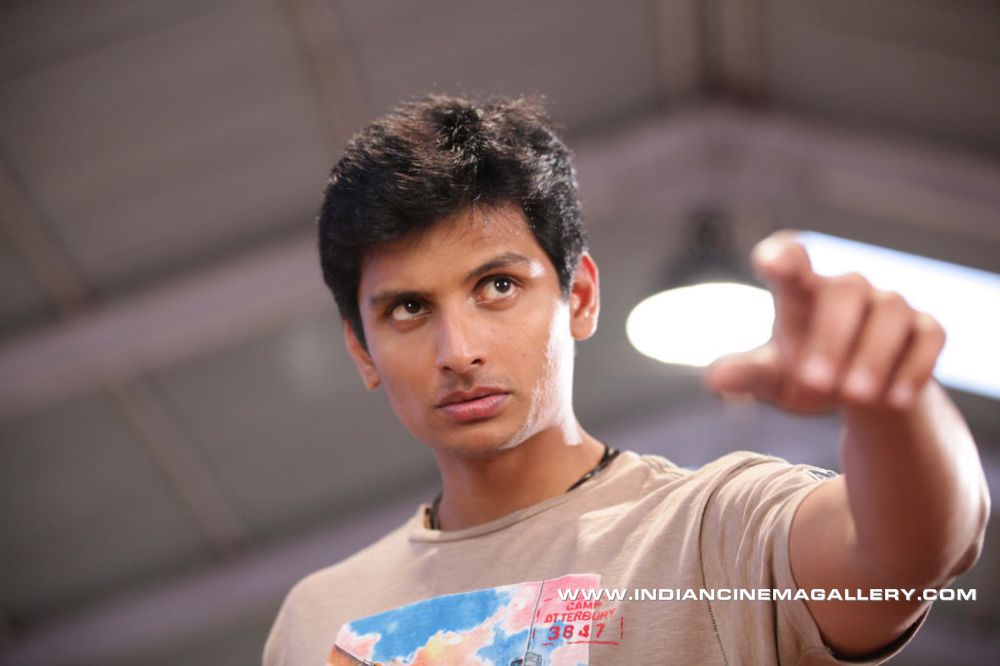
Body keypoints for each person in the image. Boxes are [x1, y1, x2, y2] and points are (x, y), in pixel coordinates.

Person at [263, 95, 989, 665]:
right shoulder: (318, 620)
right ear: (362, 349)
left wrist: (900, 407)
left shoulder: (710, 532)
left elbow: (910, 552)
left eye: (498, 286)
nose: (458, 350)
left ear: (579, 297)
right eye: (409, 308)